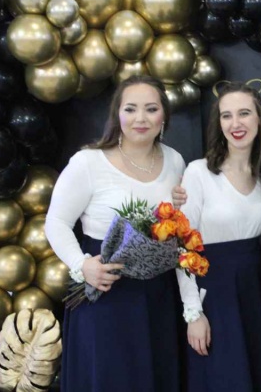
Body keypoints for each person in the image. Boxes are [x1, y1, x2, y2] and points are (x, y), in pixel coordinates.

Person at [45, 75, 186, 392]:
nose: (140, 118)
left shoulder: (175, 161)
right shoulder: (88, 162)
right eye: (130, 109)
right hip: (106, 292)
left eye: (151, 109)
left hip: (159, 295)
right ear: (117, 114)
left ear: (164, 115)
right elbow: (56, 221)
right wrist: (83, 266)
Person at [177, 82, 261, 391]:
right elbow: (182, 247)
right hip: (214, 292)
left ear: (259, 118)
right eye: (226, 115)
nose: (236, 123)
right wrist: (193, 313)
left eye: (244, 113)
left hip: (255, 291)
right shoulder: (198, 173)